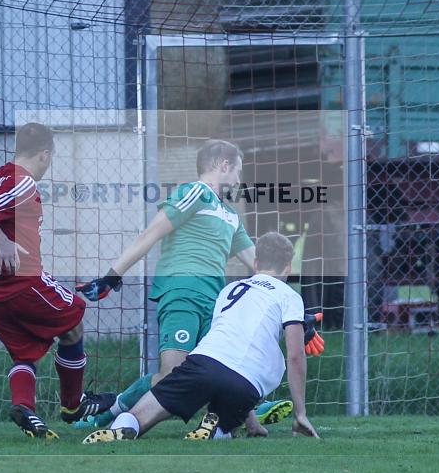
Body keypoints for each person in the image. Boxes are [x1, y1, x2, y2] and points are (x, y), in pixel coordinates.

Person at [76, 140, 286, 434]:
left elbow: (260, 266)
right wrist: (113, 275)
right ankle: (109, 410)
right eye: (237, 171)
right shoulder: (194, 193)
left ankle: (250, 422)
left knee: (223, 367)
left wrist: (292, 307)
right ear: (223, 166)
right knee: (172, 376)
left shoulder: (229, 215)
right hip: (182, 292)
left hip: (215, 305)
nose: (239, 180)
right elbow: (151, 233)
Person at [0, 122, 115, 439]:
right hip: (22, 281)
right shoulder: (23, 182)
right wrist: (0, 243)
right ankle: (74, 405)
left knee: (24, 351)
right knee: (75, 318)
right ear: (44, 154)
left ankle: (25, 408)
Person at [82, 232, 320, 442]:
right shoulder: (289, 296)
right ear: (288, 268)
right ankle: (215, 427)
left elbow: (225, 348)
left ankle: (125, 426)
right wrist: (300, 414)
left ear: (256, 263)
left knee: (142, 413)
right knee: (225, 420)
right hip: (245, 383)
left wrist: (252, 423)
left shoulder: (229, 290)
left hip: (202, 363)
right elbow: (296, 356)